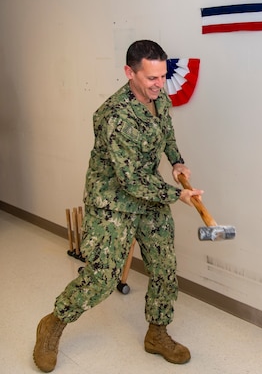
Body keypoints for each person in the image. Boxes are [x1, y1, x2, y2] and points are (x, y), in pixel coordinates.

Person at [33, 40, 203, 372]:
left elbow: (166, 130)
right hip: (114, 201)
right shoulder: (114, 115)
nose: (159, 84)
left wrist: (177, 161)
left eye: (162, 76)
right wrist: (177, 195)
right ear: (129, 72)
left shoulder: (159, 96)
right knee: (103, 278)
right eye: (151, 78)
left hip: (149, 196)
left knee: (164, 269)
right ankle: (52, 324)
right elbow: (132, 180)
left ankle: (157, 333)